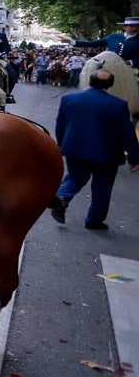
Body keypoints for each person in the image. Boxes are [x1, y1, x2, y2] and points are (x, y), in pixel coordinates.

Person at [51, 70, 139, 229]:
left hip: (75, 148)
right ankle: (94, 220)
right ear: (110, 85)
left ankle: (62, 199)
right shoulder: (118, 105)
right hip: (106, 154)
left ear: (89, 82)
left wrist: (62, 145)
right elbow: (127, 133)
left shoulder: (69, 99)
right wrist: (134, 158)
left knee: (74, 178)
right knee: (102, 188)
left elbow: (60, 125)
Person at [65, 16, 139, 68]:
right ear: (124, 27)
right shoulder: (114, 36)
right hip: (108, 66)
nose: (135, 28)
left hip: (129, 70)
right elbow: (93, 43)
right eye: (132, 26)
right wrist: (71, 41)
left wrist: (131, 62)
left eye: (137, 26)